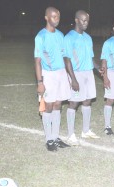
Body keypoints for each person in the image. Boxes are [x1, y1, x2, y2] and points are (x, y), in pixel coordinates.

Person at [34, 7, 71, 151]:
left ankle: (55, 137)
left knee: (58, 105)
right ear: (46, 17)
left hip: (61, 73)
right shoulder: (40, 36)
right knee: (48, 106)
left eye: (58, 17)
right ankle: (49, 139)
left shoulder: (61, 35)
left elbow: (64, 57)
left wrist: (67, 76)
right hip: (48, 74)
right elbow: (37, 61)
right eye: (53, 16)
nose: (56, 19)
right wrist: (40, 82)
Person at [64, 10, 101, 145]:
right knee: (73, 102)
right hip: (77, 73)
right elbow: (67, 60)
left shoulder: (88, 37)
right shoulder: (69, 37)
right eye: (83, 20)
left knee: (87, 101)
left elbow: (90, 58)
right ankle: (70, 134)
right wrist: (73, 79)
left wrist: (98, 68)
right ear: (77, 20)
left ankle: (85, 131)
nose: (86, 23)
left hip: (88, 73)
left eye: (87, 21)